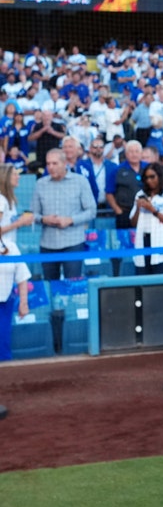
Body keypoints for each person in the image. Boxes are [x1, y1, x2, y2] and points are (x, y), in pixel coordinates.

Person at [31, 148, 96, 280]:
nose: (50, 167)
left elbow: (91, 211)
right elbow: (33, 214)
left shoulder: (80, 181)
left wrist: (70, 220)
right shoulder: (40, 184)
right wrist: (44, 219)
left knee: (72, 284)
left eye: (55, 163)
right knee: (50, 284)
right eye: (48, 164)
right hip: (48, 244)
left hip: (73, 243)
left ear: (65, 163)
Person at [0, 163, 33, 362]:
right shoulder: (1, 200)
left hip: (8, 253)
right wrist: (22, 222)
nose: (19, 177)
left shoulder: (8, 200)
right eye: (15, 174)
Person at [130, 161, 163, 275]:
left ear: (160, 176)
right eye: (146, 177)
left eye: (152, 177)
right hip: (143, 242)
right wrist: (138, 208)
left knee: (161, 284)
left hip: (162, 244)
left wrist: (153, 210)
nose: (149, 180)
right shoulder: (140, 194)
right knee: (142, 282)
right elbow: (133, 223)